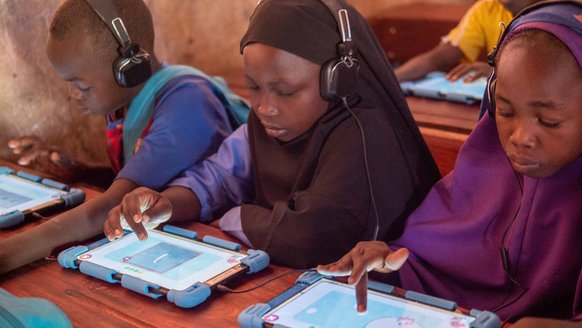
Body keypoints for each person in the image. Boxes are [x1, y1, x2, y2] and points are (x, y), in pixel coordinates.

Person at [101, 0, 442, 269]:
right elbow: (219, 176)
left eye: (287, 91)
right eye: (254, 88)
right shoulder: (265, 124)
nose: (266, 107)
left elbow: (309, 238)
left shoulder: (364, 136)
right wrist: (168, 203)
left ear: (337, 80)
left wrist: (233, 216)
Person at [318, 1, 582, 325]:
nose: (521, 136)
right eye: (506, 111)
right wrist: (389, 262)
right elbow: (436, 263)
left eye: (549, 120)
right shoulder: (481, 174)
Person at [0, 0, 248, 274]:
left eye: (82, 85)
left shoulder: (187, 104)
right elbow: (141, 180)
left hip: (224, 251)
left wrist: (7, 255)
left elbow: (108, 207)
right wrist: (82, 170)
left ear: (129, 68)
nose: (74, 96)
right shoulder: (130, 103)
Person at [394, 0, 540, 83]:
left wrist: (499, 73)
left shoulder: (555, 13)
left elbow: (548, 79)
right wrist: (390, 81)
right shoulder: (487, 8)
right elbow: (440, 57)